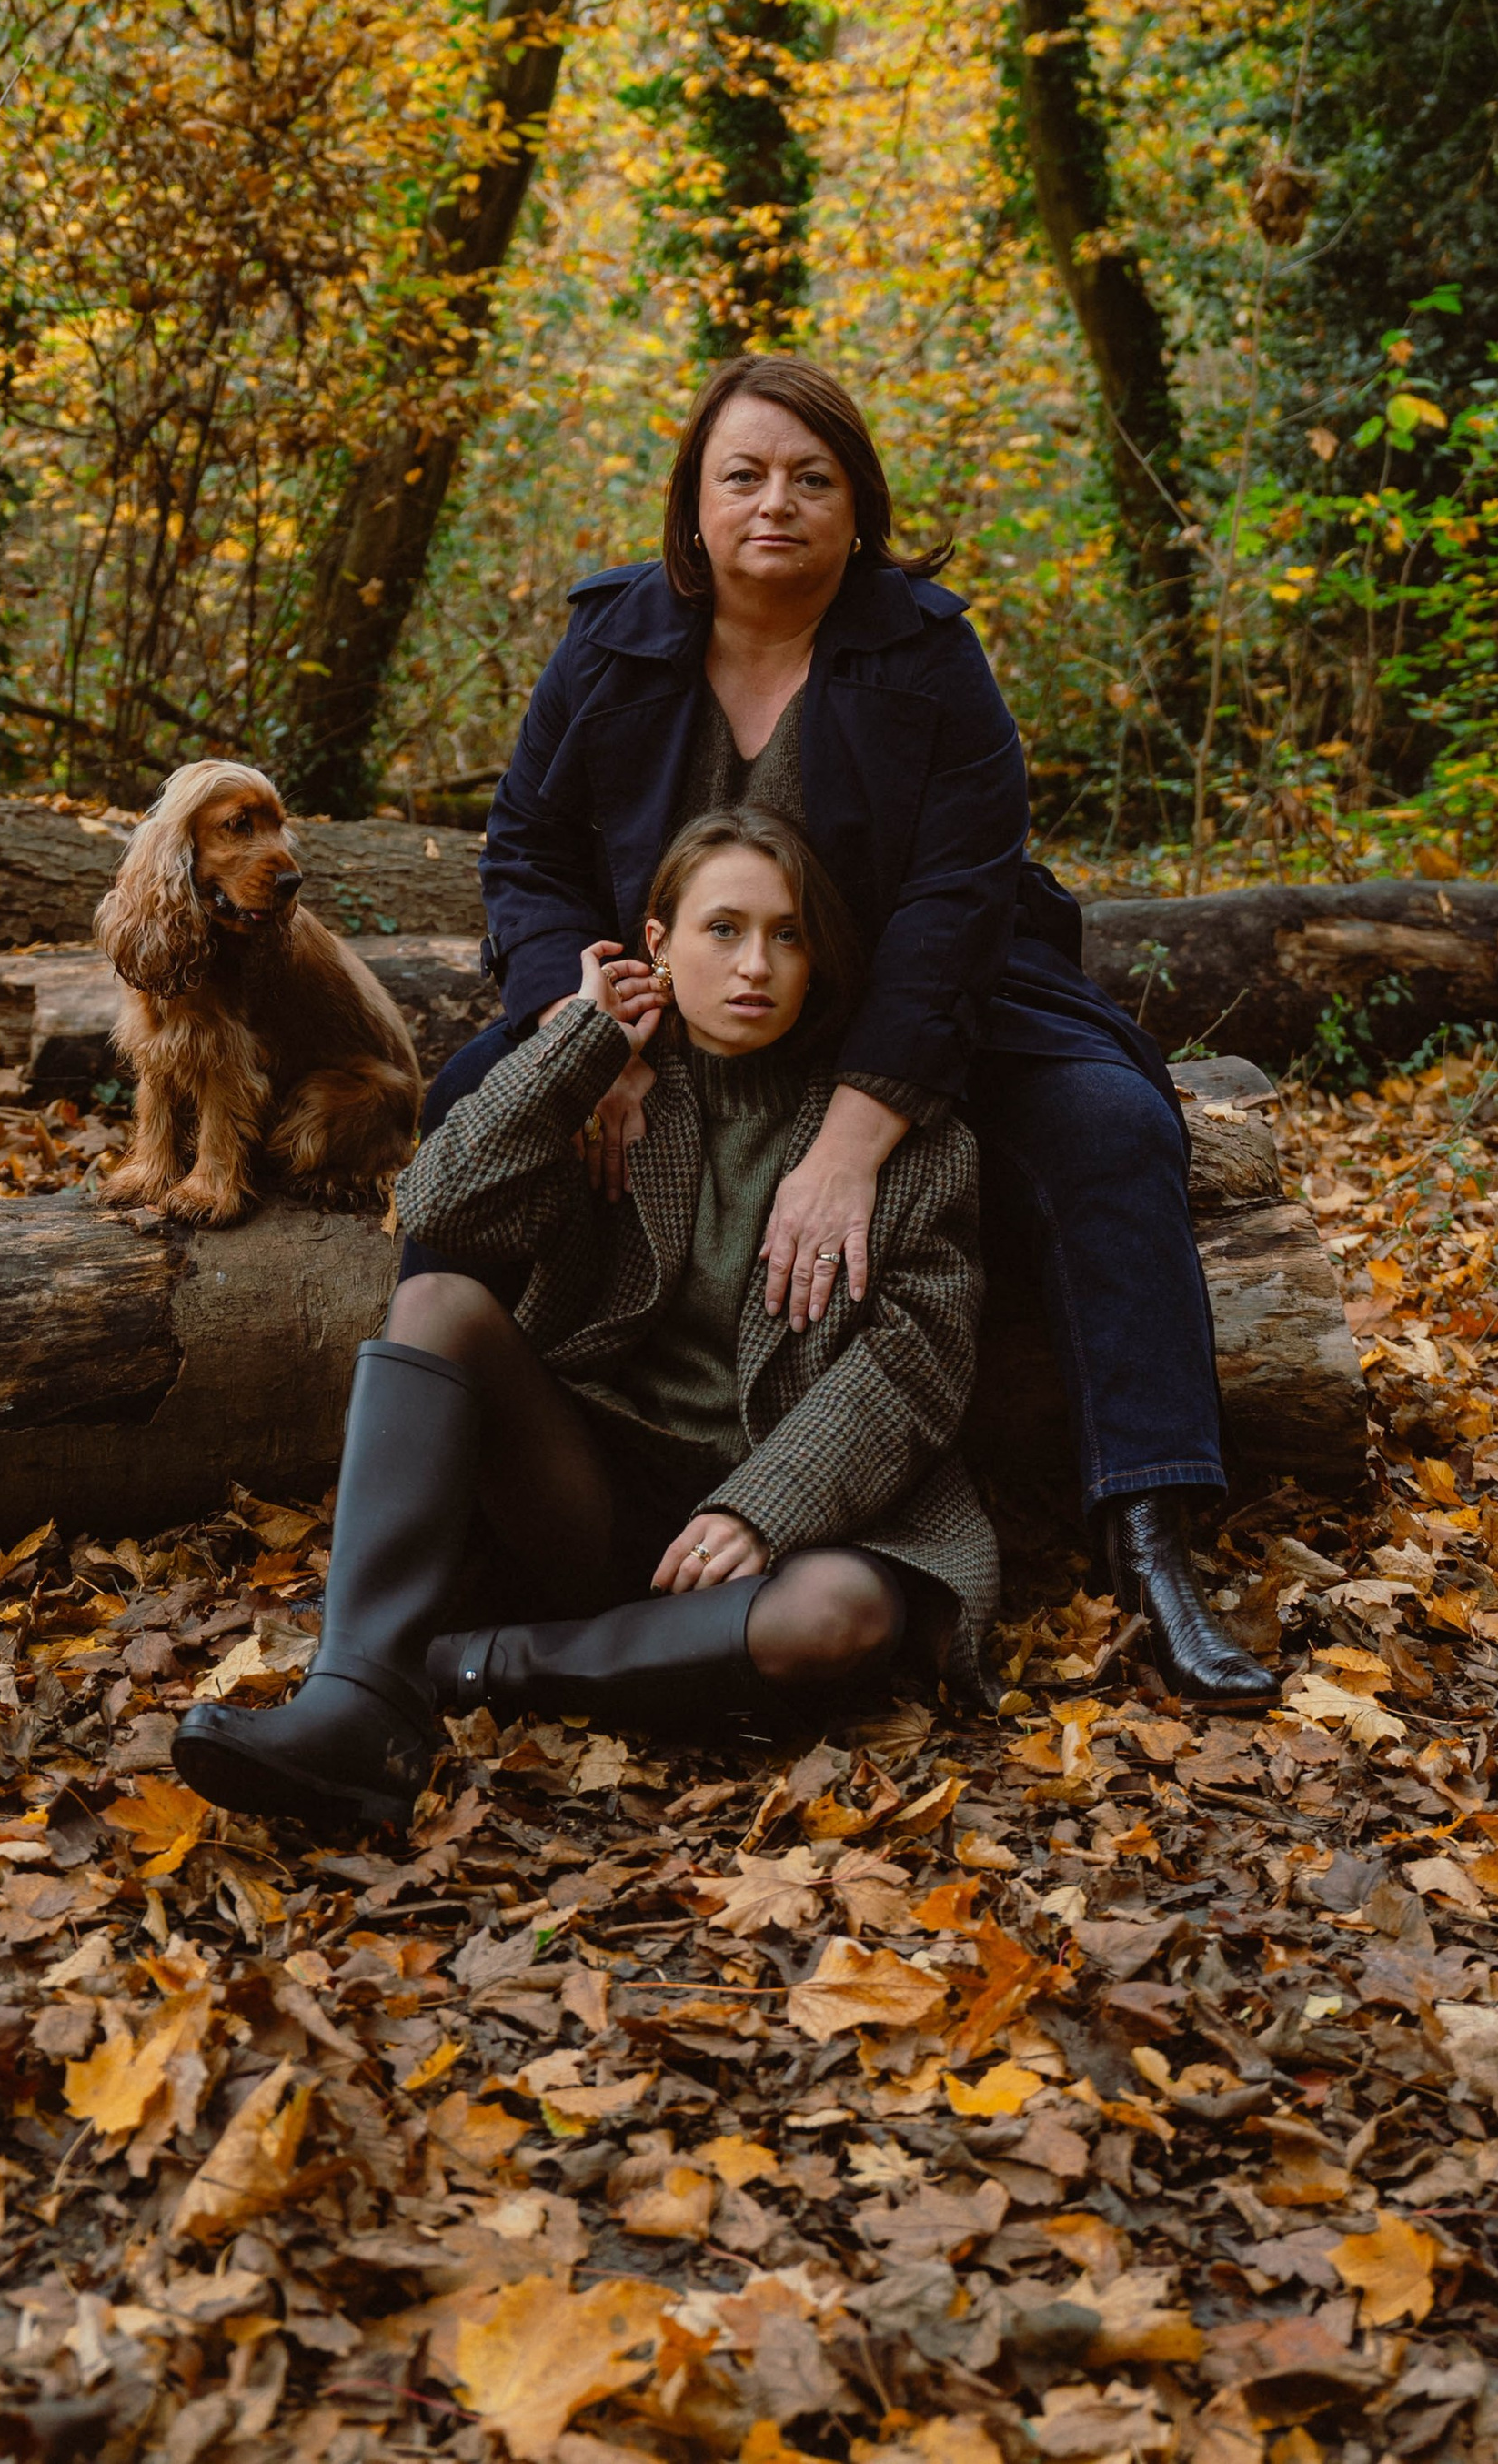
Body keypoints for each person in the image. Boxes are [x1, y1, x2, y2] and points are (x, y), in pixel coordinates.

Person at [401, 353, 1273, 1710]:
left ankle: (1149, 1527)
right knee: (471, 1100)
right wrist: (591, 1037)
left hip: (925, 985)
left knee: (1107, 1125)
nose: (776, 504)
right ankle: (457, 1515)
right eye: (741, 476)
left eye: (813, 479)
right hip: (674, 987)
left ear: (856, 506)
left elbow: (958, 899)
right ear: (693, 505)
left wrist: (863, 1128)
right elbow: (528, 847)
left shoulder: (924, 652)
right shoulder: (612, 639)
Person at [172, 806, 999, 1840]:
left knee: (845, 1617)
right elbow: (434, 1211)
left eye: (787, 935)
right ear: (656, 943)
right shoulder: (604, 1098)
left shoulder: (897, 1140)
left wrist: (761, 1510)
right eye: (723, 929)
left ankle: (452, 1672)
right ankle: (349, 1699)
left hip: (793, 1521)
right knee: (437, 1303)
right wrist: (584, 1047)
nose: (757, 966)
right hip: (595, 1491)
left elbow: (913, 1369)